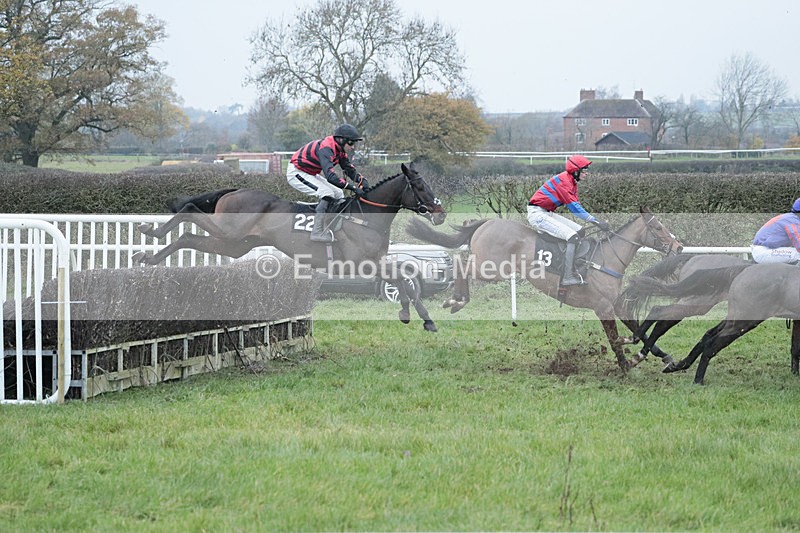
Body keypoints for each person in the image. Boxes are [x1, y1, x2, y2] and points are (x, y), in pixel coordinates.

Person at [527, 155, 610, 286]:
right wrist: (596, 221)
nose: (587, 173)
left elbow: (577, 205)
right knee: (572, 237)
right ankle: (567, 276)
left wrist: (595, 221)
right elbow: (575, 208)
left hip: (546, 213)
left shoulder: (572, 182)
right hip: (537, 214)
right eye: (584, 170)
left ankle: (574, 265)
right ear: (575, 171)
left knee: (580, 231)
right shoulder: (564, 182)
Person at [286, 124, 368, 242]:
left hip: (309, 173)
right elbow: (331, 177)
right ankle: (317, 232)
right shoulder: (326, 148)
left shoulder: (340, 150)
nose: (353, 147)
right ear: (341, 140)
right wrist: (353, 188)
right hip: (296, 172)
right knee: (327, 192)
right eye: (351, 143)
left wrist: (362, 180)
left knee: (339, 193)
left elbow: (349, 170)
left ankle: (333, 228)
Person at [751, 198, 800, 264]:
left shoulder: (791, 218)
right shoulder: (793, 221)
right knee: (797, 254)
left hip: (768, 250)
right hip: (764, 251)